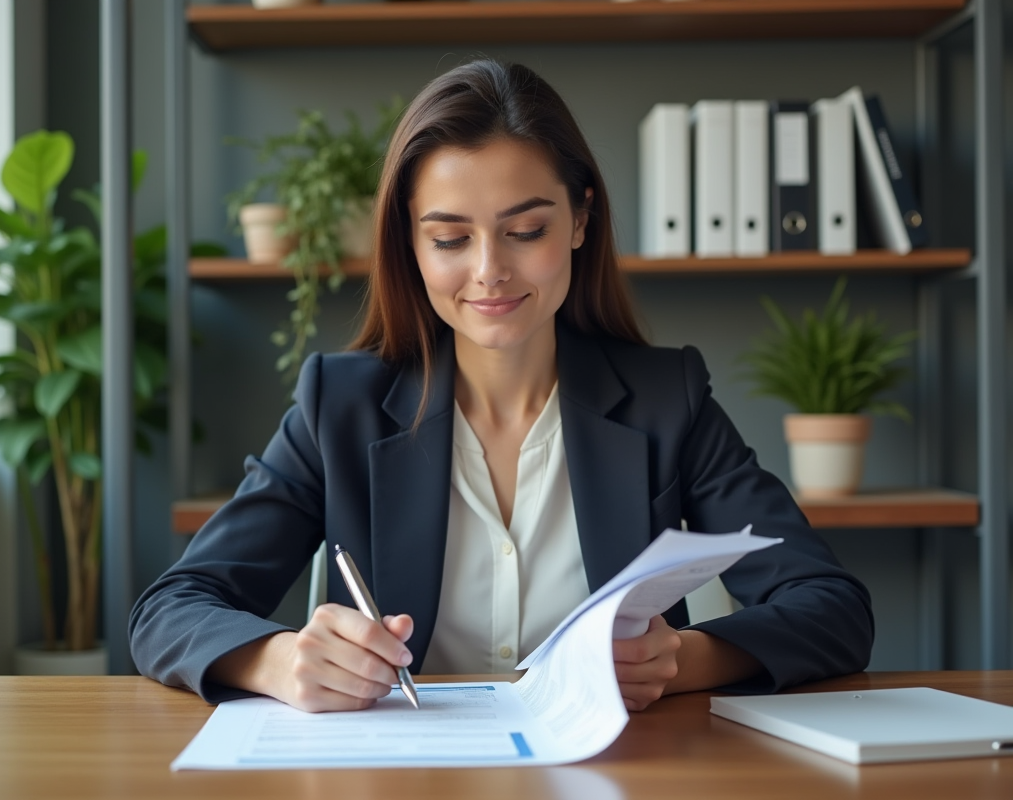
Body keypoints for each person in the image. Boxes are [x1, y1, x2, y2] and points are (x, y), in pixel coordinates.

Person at [129, 60, 873, 714]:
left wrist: (684, 660)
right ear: (411, 243)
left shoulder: (664, 399)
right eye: (450, 238)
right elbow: (170, 610)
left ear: (581, 218)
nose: (489, 270)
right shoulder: (341, 408)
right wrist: (282, 661)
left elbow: (833, 608)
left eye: (525, 231)